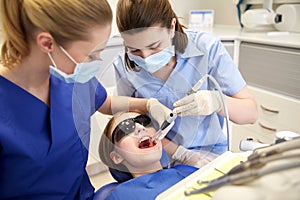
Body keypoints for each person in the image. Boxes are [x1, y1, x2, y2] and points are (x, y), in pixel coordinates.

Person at [0, 0, 172, 199]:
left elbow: (105, 103)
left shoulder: (74, 78)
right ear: (47, 43)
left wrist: (148, 105)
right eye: (91, 55)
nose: (97, 62)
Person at [113, 0, 258, 167]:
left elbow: (251, 113)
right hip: (155, 155)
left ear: (172, 27)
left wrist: (217, 101)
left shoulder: (206, 47)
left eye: (154, 47)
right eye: (135, 50)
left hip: (209, 153)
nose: (146, 57)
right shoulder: (122, 66)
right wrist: (179, 153)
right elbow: (129, 122)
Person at [98, 111, 198, 200]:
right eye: (126, 128)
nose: (140, 127)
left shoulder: (186, 172)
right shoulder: (119, 196)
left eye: (144, 121)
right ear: (117, 157)